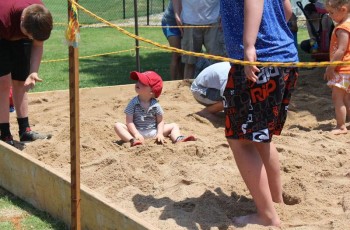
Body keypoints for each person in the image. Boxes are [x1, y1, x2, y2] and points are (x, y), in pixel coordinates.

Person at [220, 0, 298, 227]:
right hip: (283, 57)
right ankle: (275, 201)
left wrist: (249, 45)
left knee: (240, 140)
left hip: (257, 61)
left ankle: (267, 216)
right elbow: (287, 10)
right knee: (261, 137)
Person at [0, 0, 53, 146]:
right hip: (2, 34)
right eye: (29, 35)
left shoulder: (39, 17)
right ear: (22, 20)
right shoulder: (3, 17)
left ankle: (25, 131)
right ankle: (4, 134)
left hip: (17, 32)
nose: (31, 38)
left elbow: (38, 44)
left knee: (21, 81)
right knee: (3, 84)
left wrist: (33, 72)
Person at [114, 71, 195, 147]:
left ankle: (177, 138)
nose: (138, 83)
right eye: (138, 81)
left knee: (174, 125)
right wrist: (136, 134)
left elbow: (160, 121)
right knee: (117, 125)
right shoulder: (133, 103)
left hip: (154, 131)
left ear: (152, 91)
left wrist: (159, 134)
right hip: (137, 131)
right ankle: (132, 140)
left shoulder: (155, 105)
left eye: (143, 83)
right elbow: (129, 121)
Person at [173, 0, 226, 80]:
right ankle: (186, 90)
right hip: (189, 22)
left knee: (219, 61)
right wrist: (176, 13)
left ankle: (222, 91)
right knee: (189, 62)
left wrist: (224, 14)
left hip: (215, 22)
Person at [323, 0, 350, 135]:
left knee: (337, 98)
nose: (329, 15)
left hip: (343, 69)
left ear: (343, 9)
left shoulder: (342, 28)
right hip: (348, 68)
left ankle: (341, 126)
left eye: (331, 12)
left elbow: (341, 50)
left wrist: (331, 67)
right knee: (346, 98)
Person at [161, 0, 184, 80]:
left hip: (185, 22)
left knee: (183, 56)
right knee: (176, 54)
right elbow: (178, 13)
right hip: (170, 23)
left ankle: (182, 80)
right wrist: (182, 31)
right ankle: (173, 82)